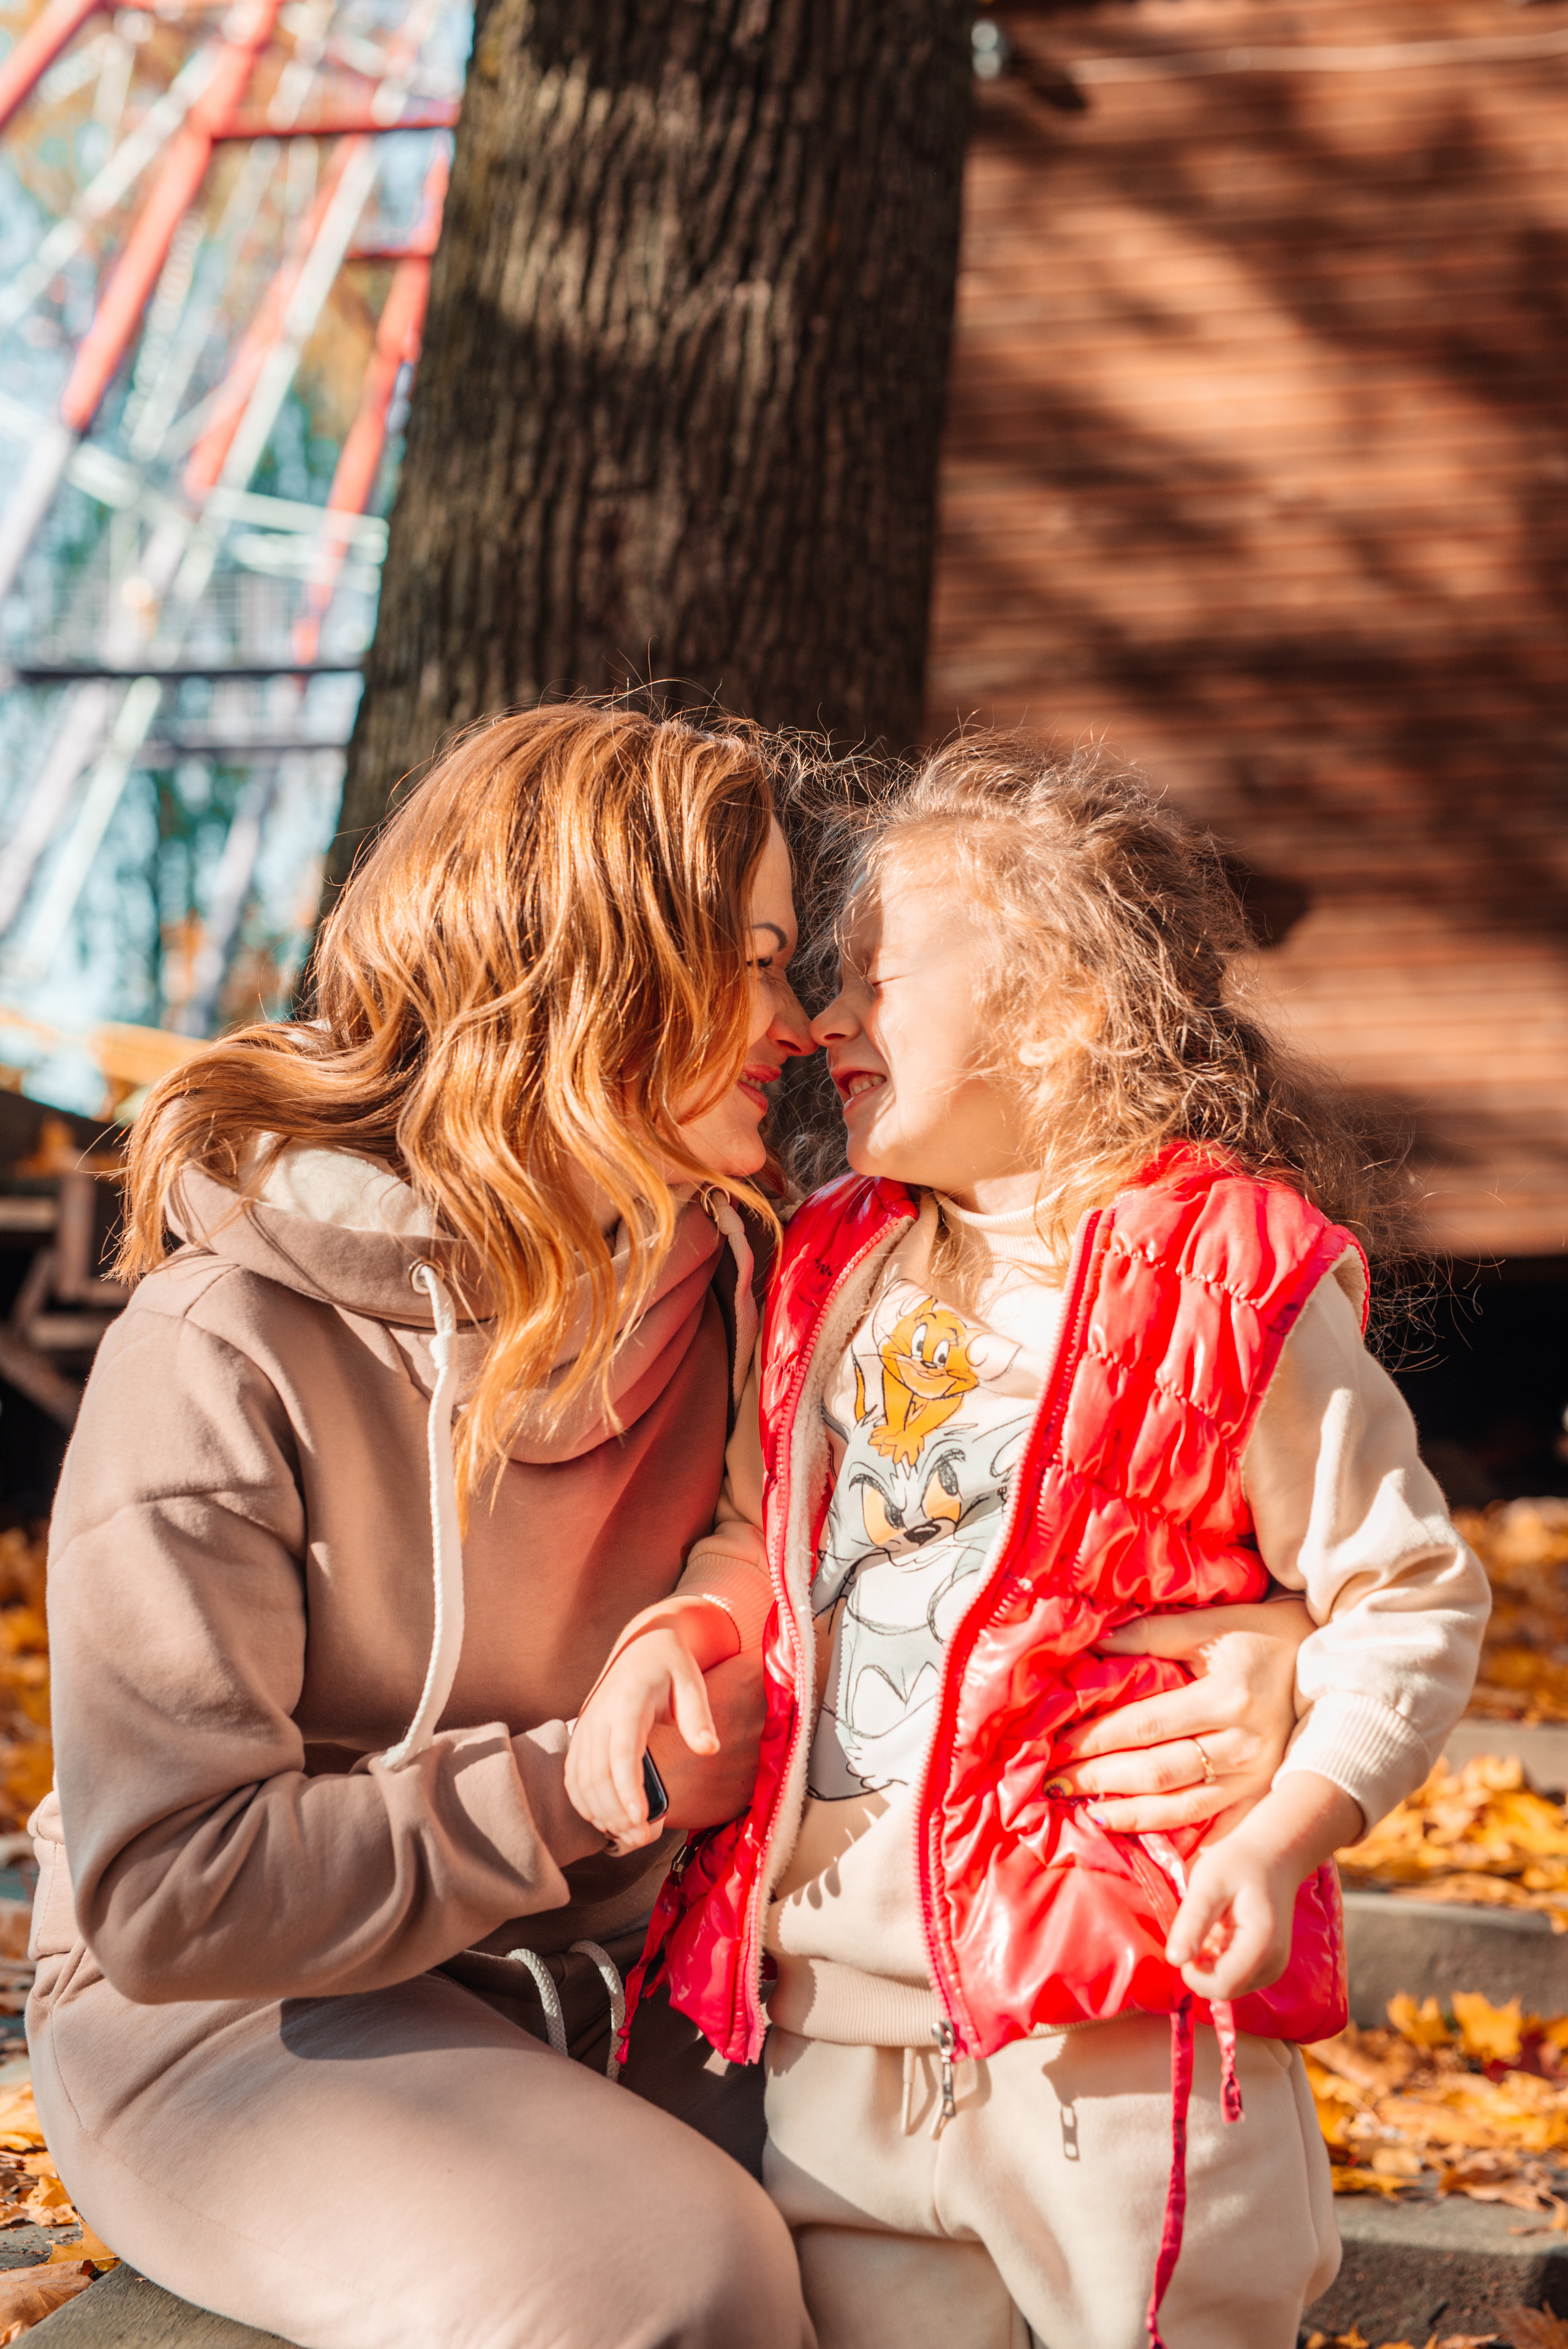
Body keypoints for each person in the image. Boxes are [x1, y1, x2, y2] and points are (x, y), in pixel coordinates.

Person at [565, 737, 1490, 2349]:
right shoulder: (829, 1264)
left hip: (1116, 2032)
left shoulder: (1225, 1284)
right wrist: (686, 1637)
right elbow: (766, 1534)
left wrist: (1284, 1832)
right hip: (842, 2029)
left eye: (876, 978)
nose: (826, 1022)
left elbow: (1406, 1593)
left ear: (1061, 1012)